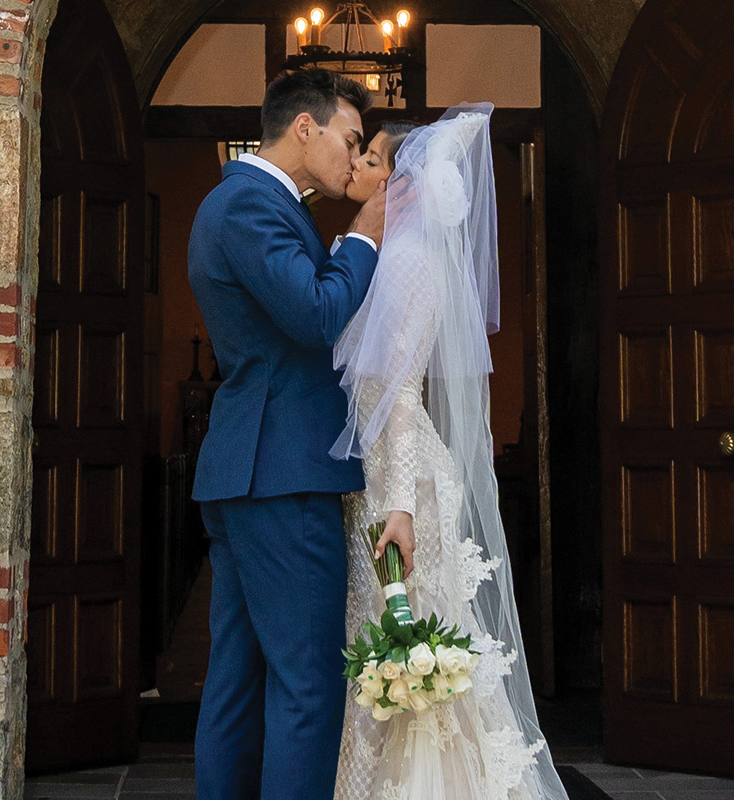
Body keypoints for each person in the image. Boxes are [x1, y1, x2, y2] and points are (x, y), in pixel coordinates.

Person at [332, 107, 570, 800]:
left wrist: (399, 505)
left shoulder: (408, 264)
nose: (359, 169)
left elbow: (401, 394)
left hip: (402, 488)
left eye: (372, 160)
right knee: (392, 654)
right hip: (381, 478)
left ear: (403, 184)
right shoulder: (387, 254)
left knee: (412, 652)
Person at [187, 69, 387, 800]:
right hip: (283, 471)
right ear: (305, 127)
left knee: (238, 683)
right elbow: (313, 315)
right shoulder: (248, 202)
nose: (355, 157)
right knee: (306, 684)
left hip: (255, 468)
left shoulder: (260, 203)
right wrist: (362, 236)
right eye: (350, 137)